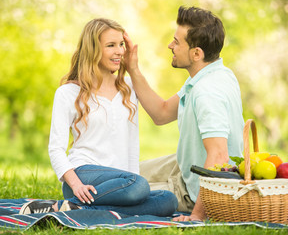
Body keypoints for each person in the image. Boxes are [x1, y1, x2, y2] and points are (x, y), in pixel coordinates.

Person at [19, 18, 178, 216]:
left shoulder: (129, 87)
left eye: (121, 44)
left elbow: (131, 144)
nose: (119, 51)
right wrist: (76, 185)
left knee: (168, 200)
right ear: (92, 50)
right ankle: (75, 201)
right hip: (83, 177)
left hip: (121, 185)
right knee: (139, 185)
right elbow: (56, 149)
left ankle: (72, 208)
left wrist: (132, 192)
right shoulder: (68, 92)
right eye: (111, 45)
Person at [123, 6, 244, 221]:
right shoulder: (213, 75)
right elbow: (161, 113)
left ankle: (75, 206)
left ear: (196, 53)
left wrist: (197, 215)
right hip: (185, 168)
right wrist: (133, 68)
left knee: (121, 193)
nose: (171, 46)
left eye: (177, 42)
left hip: (194, 192)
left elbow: (219, 157)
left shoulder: (207, 92)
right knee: (121, 175)